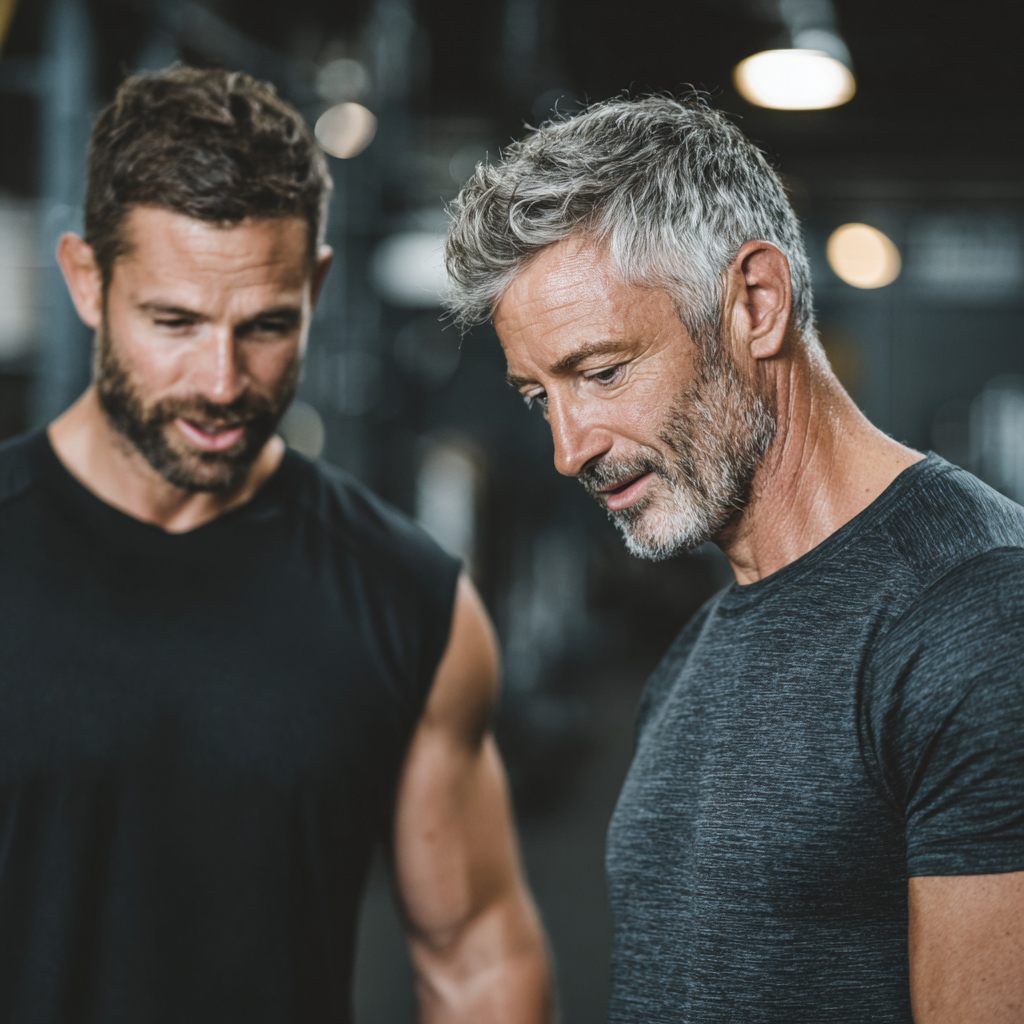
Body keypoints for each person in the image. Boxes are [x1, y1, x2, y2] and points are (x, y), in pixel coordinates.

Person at [444, 95, 1024, 1023]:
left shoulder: (976, 619)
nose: (569, 448)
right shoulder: (695, 655)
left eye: (600, 373)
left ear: (756, 304)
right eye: (535, 395)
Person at [0, 66, 551, 1024]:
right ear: (88, 281)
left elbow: (478, 964)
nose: (220, 382)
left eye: (265, 326)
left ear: (317, 284)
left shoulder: (407, 600)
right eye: (173, 322)